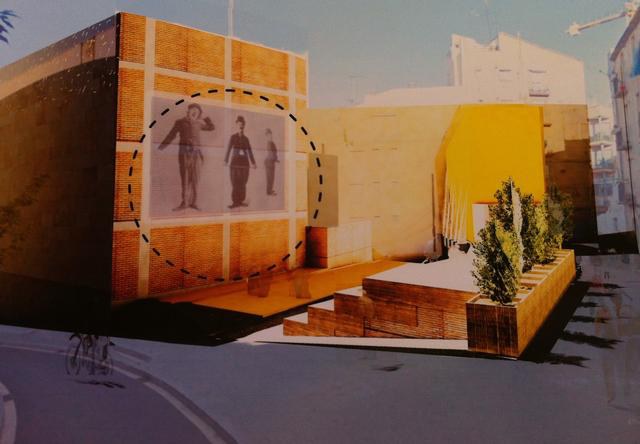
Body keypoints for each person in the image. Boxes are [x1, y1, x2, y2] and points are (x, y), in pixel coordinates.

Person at [158, 103, 215, 211]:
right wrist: (160, 147)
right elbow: (171, 135)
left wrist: (206, 119)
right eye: (193, 110)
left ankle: (194, 202)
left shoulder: (199, 123)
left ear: (199, 114)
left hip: (197, 154)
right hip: (184, 154)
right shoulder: (180, 122)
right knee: (185, 178)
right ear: (188, 111)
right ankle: (184, 203)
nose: (195, 112)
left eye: (197, 111)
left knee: (195, 179)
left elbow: (212, 127)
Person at [224, 115, 256, 208]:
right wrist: (225, 160)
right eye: (239, 124)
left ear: (244, 126)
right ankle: (235, 202)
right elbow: (228, 149)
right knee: (235, 182)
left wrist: (253, 163)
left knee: (243, 182)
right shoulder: (233, 137)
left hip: (244, 164)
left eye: (242, 124)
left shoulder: (246, 139)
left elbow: (250, 151)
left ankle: (241, 201)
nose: (241, 126)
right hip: (235, 163)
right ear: (236, 125)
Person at [264, 128, 279, 196]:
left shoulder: (272, 143)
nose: (270, 136)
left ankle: (270, 190)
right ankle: (269, 192)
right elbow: (271, 154)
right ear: (267, 136)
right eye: (269, 135)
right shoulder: (269, 143)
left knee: (272, 177)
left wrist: (276, 159)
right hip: (269, 162)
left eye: (271, 135)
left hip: (271, 162)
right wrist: (275, 159)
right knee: (269, 177)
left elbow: (274, 152)